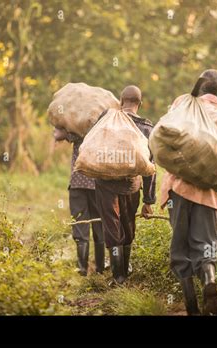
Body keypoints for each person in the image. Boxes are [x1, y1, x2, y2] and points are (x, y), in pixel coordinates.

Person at [160, 70, 217, 315]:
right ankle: (209, 281)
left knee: (180, 247)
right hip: (209, 192)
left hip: (178, 188)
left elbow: (164, 133)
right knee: (207, 247)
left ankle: (192, 309)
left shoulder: (182, 105)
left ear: (199, 88)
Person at [94, 85, 156, 284]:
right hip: (132, 185)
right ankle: (124, 274)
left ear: (121, 102)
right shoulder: (147, 128)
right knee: (128, 226)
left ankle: (118, 276)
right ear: (140, 103)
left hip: (105, 185)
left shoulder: (106, 121)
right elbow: (150, 167)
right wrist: (148, 200)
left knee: (111, 228)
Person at [53, 127, 104, 276]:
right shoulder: (103, 130)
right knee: (100, 224)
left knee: (80, 225)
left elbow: (57, 135)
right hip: (98, 185)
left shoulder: (76, 129)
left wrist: (63, 129)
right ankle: (100, 268)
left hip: (78, 184)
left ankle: (82, 268)